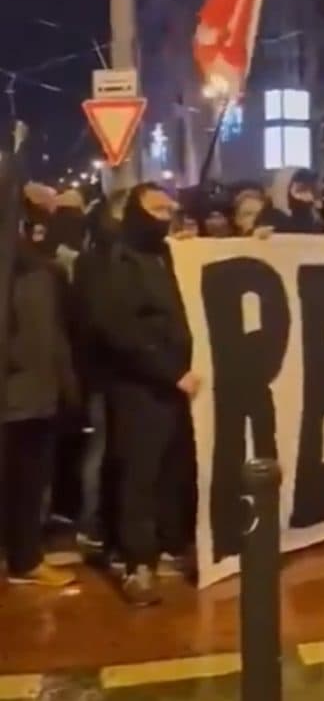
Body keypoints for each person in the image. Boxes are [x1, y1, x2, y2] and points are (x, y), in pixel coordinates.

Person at [92, 183, 197, 606]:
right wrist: (169, 371)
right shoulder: (115, 259)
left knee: (174, 469)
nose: (165, 216)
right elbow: (117, 328)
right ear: (135, 211)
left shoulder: (168, 255)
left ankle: (170, 542)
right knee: (140, 473)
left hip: (178, 384)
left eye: (170, 209)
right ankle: (139, 563)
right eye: (156, 209)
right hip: (139, 387)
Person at [2, 218, 79, 587]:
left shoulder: (42, 271)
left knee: (29, 485)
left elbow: (57, 333)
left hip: (37, 395)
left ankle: (25, 558)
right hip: (16, 395)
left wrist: (66, 387)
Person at [72, 190, 128, 555]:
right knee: (104, 447)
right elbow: (97, 320)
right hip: (107, 372)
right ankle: (93, 523)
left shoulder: (96, 260)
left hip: (117, 372)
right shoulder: (96, 262)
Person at [262, 168, 324, 234]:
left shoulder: (311, 212)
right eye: (302, 189)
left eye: (312, 189)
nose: (309, 195)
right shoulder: (271, 215)